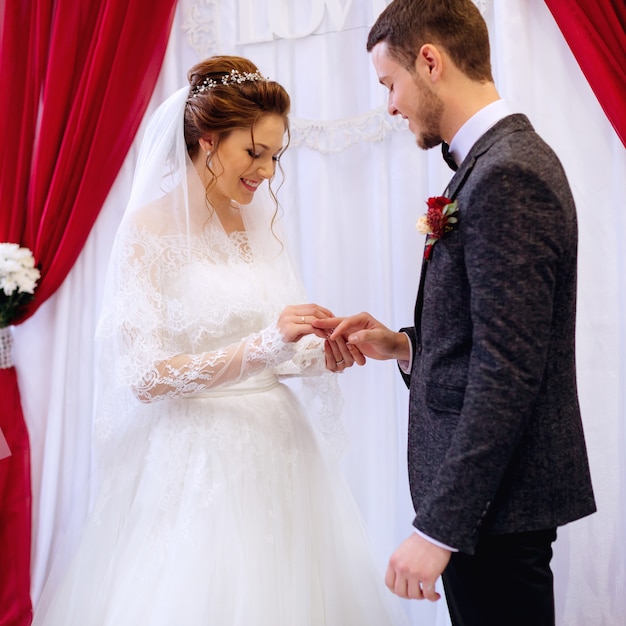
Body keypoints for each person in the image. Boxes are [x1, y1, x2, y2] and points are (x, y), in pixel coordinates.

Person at [32, 55, 407, 626]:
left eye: (275, 156)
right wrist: (266, 341)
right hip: (200, 459)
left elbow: (272, 347)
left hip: (282, 451)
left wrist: (326, 348)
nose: (266, 172)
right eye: (253, 153)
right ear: (208, 141)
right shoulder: (146, 232)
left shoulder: (256, 224)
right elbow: (146, 374)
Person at [313, 2, 597, 625]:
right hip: (490, 510)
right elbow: (496, 339)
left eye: (390, 83)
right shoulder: (490, 164)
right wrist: (405, 346)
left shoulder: (507, 173)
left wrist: (438, 530)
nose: (390, 105)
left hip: (492, 512)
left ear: (431, 61)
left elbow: (509, 371)